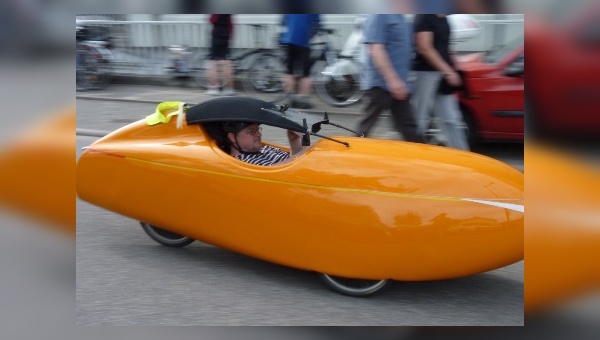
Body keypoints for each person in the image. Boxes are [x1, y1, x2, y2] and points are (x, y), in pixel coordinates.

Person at [355, 14, 424, 143]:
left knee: (410, 129)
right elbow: (376, 50)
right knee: (363, 130)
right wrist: (392, 80)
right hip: (380, 85)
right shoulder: (379, 15)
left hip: (399, 86)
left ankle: (422, 160)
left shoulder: (401, 17)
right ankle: (347, 157)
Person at [411, 14, 470, 150]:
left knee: (451, 119)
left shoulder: (443, 19)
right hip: (425, 73)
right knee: (420, 119)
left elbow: (443, 44)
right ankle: (413, 155)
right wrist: (448, 71)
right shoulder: (424, 17)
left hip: (443, 74)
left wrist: (454, 59)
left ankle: (462, 155)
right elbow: (424, 48)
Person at [279, 14, 321, 109]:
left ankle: (290, 99)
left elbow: (283, 21)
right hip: (303, 42)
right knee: (306, 74)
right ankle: (304, 100)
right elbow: (317, 23)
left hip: (289, 41)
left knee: (289, 72)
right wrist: (310, 35)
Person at [222, 121, 308, 166]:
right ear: (232, 137)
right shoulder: (242, 163)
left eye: (258, 130)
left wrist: (294, 141)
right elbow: (278, 172)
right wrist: (307, 151)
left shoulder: (264, 148)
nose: (259, 134)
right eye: (252, 132)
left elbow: (291, 161)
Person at [206, 14, 236, 96]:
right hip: (226, 33)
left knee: (214, 62)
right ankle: (228, 89)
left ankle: (213, 89)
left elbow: (212, 20)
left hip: (217, 32)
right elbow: (230, 22)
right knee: (226, 61)